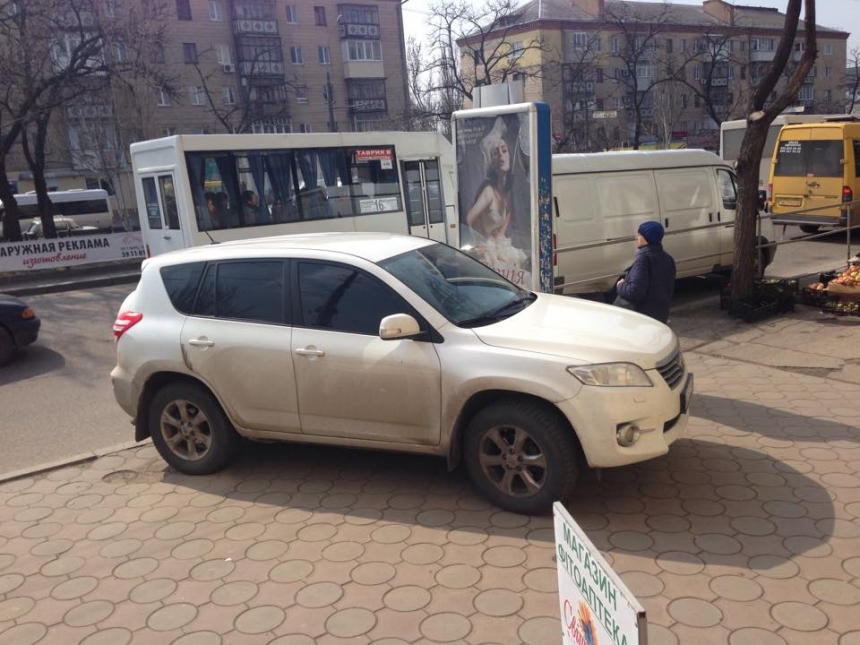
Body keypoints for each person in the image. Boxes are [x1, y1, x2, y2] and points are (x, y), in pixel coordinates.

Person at [464, 117, 528, 279]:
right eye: (495, 152)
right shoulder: (488, 191)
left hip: (499, 247)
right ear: (491, 161)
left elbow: (507, 217)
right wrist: (480, 242)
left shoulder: (507, 191)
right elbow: (469, 219)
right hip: (488, 250)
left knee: (522, 276)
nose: (501, 156)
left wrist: (500, 238)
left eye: (504, 150)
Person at [614, 220, 676, 323]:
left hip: (643, 318)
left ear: (646, 237)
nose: (636, 238)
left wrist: (620, 285)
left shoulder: (644, 259)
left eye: (639, 235)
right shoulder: (668, 258)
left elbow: (634, 291)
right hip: (661, 315)